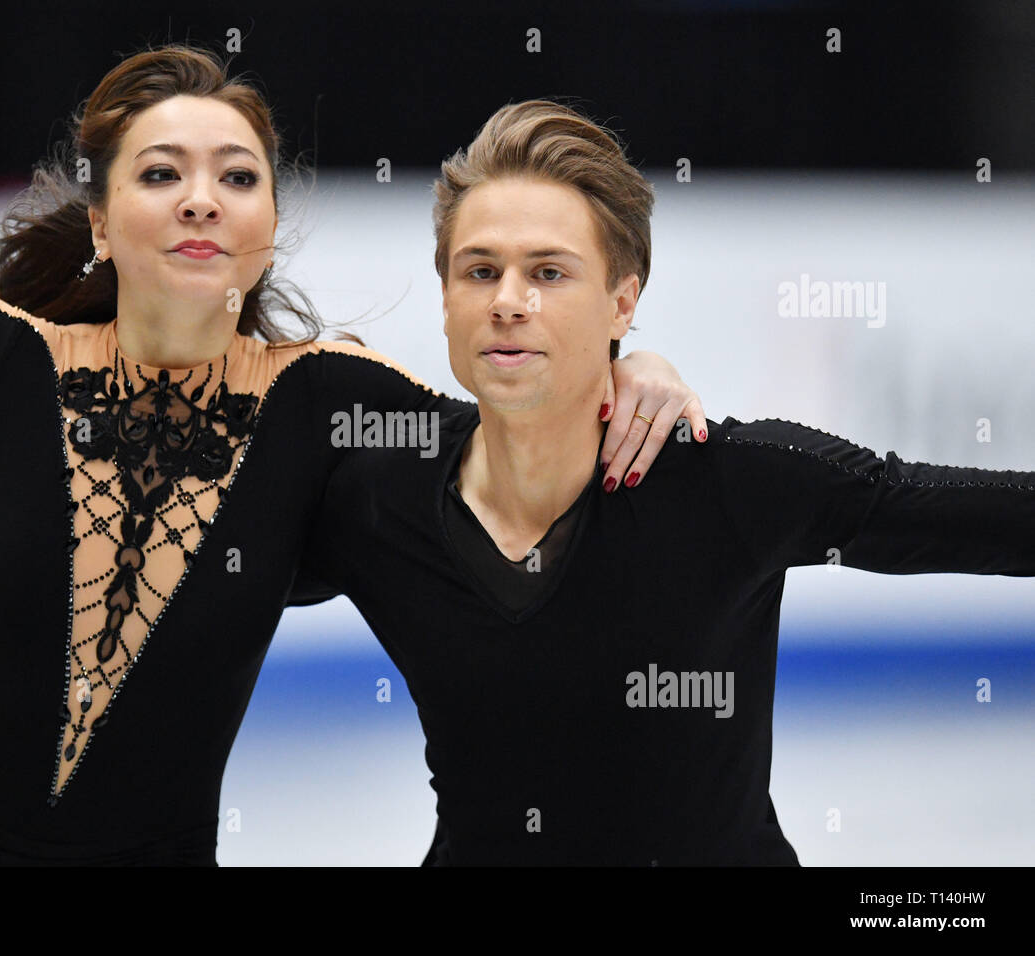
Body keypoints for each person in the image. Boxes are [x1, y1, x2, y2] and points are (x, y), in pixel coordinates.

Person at [0, 46, 702, 865]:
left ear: (269, 229)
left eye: (237, 177)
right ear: (103, 224)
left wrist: (636, 363)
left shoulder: (325, 402)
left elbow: (523, 428)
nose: (203, 200)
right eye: (161, 174)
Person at [289, 99, 1035, 864]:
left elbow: (967, 514)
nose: (508, 301)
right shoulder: (382, 498)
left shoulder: (729, 482)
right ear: (446, 296)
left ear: (623, 302)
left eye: (548, 272)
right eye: (481, 271)